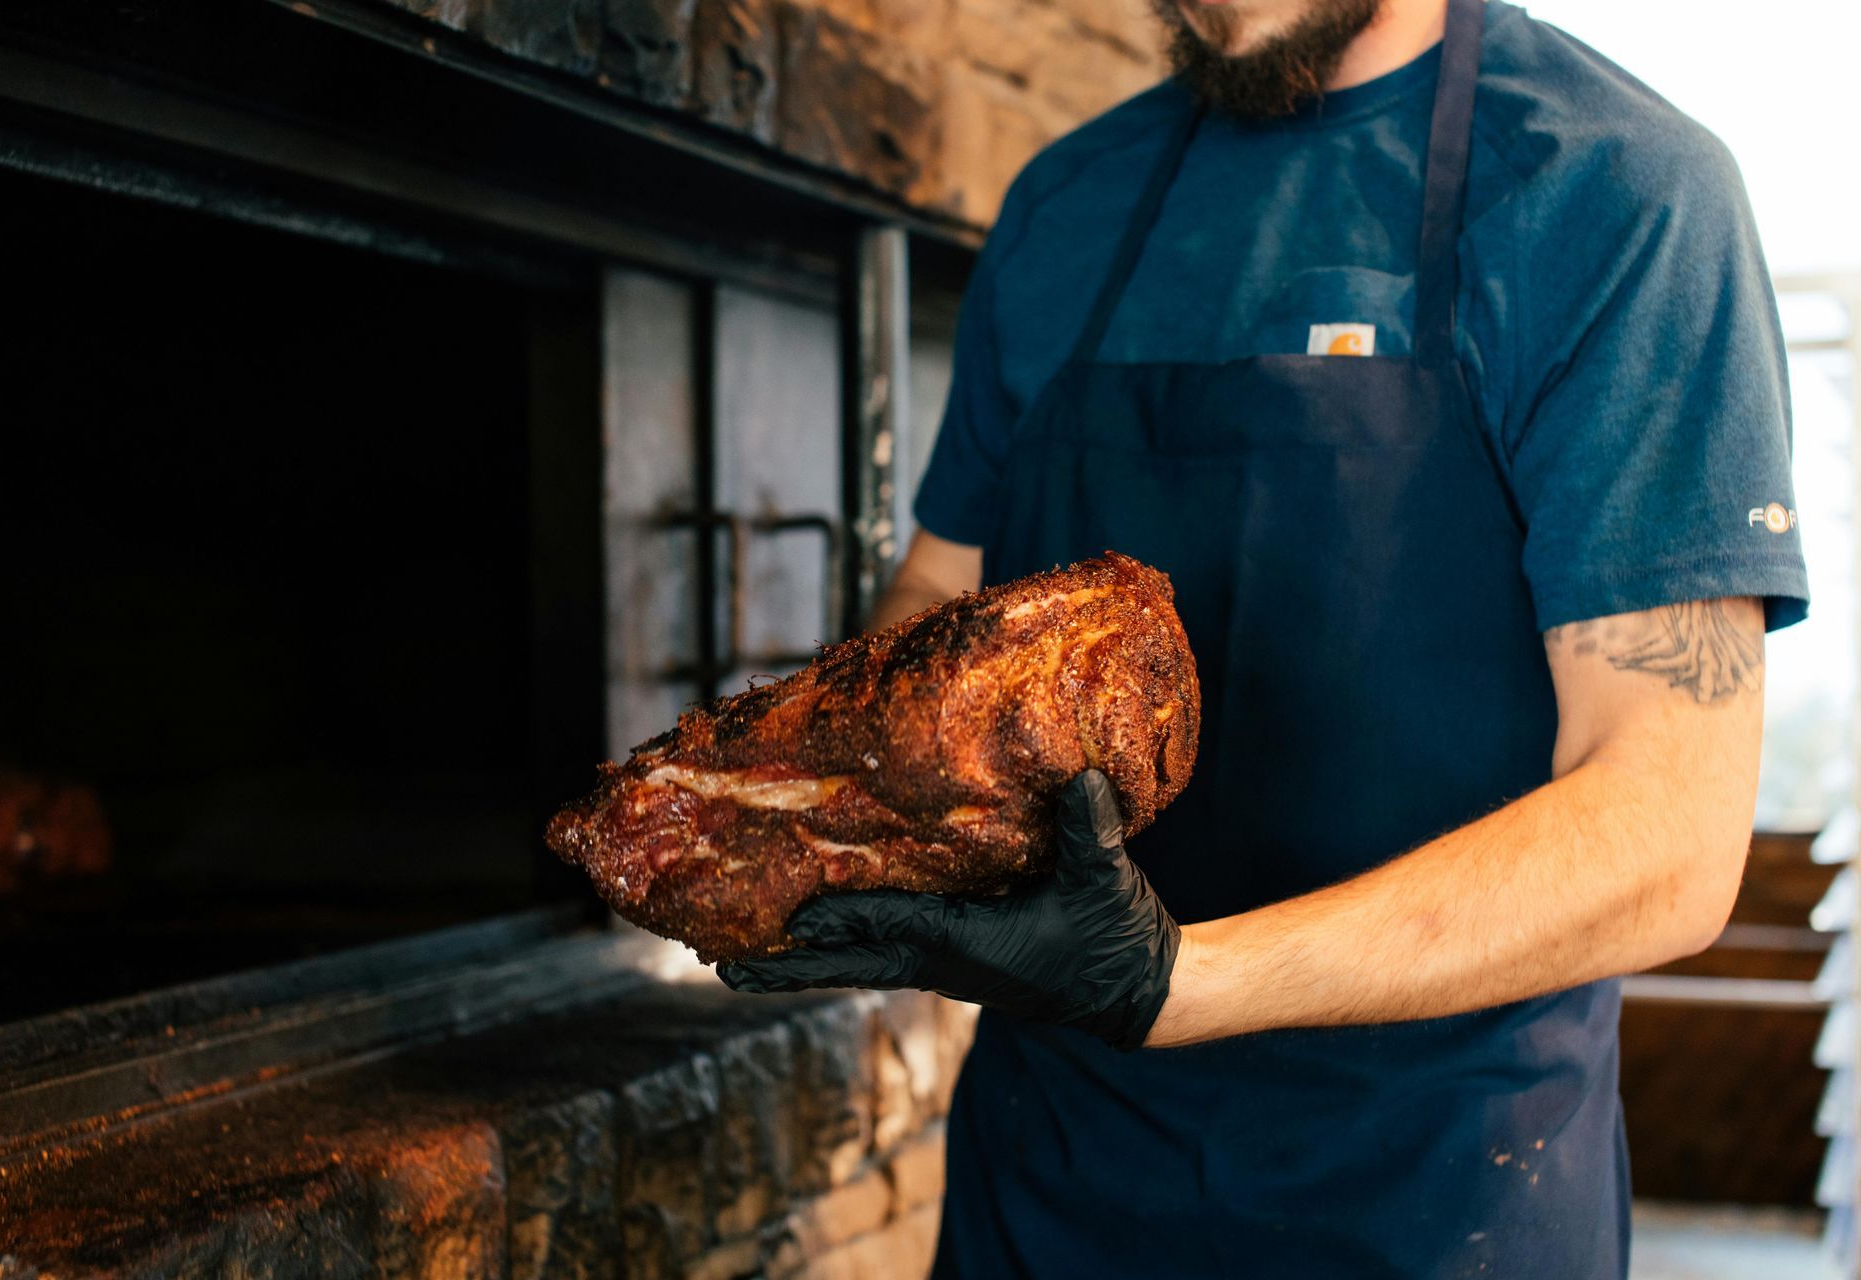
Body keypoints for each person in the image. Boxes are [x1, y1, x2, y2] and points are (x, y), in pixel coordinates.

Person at [720, 0, 1810, 1273]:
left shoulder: (1618, 194)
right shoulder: (1068, 199)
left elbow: (1668, 834)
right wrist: (822, 806)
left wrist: (1170, 980)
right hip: (1051, 1183)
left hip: (1432, 1198)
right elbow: (934, 587)